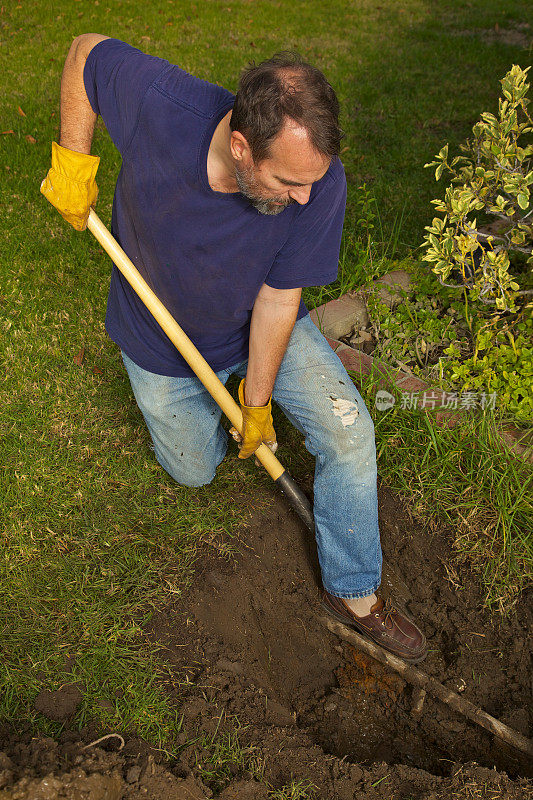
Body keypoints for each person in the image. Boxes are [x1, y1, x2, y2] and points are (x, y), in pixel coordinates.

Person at [41, 34, 427, 663]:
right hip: (161, 339)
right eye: (287, 181)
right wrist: (72, 157)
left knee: (349, 432)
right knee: (195, 470)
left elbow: (278, 301)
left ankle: (355, 591)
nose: (304, 197)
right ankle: (204, 413)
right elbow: (84, 51)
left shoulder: (317, 185)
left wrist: (257, 399)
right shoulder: (163, 105)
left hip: (255, 319)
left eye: (312, 182)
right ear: (242, 148)